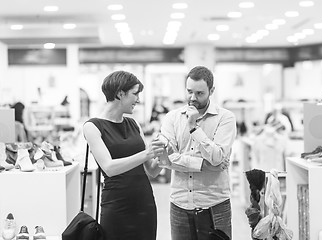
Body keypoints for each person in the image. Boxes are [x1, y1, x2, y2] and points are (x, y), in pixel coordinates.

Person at [83, 70, 166, 240]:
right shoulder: (93, 127)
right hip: (116, 206)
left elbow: (152, 171)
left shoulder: (133, 124)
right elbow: (109, 167)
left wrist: (163, 153)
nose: (138, 99)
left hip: (144, 203)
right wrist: (146, 154)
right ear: (120, 94)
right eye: (135, 94)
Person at [159, 66, 237, 239]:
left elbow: (217, 158)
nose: (192, 98)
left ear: (212, 91)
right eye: (189, 91)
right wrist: (203, 164)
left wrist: (194, 127)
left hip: (214, 204)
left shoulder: (226, 118)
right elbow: (165, 158)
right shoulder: (172, 117)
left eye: (199, 93)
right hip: (180, 204)